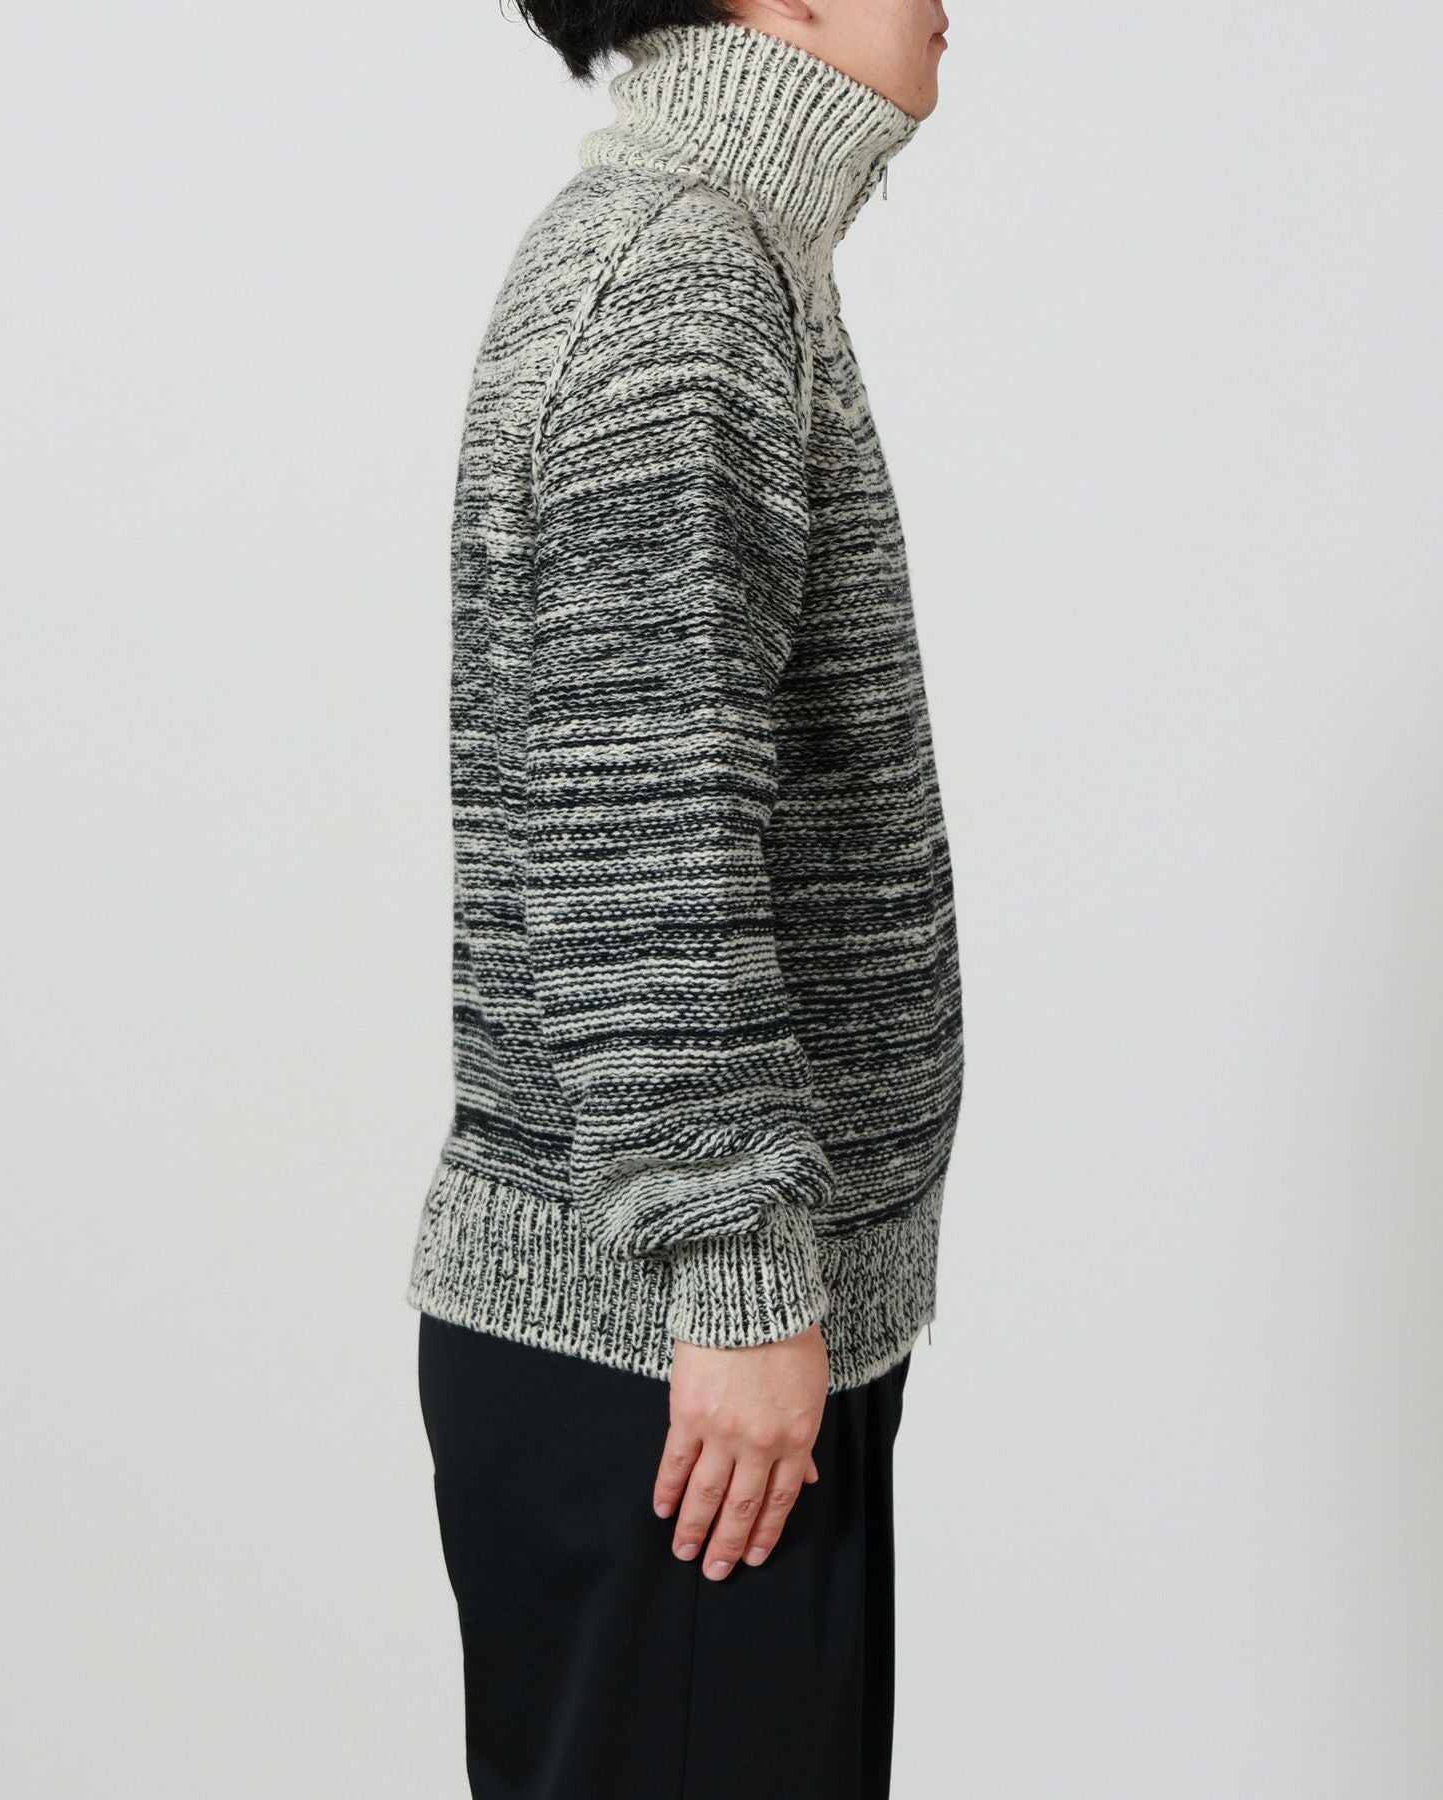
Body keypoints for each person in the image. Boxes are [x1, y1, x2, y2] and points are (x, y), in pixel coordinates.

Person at [406, 3, 964, 1794]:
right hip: (677, 1351)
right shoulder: (683, 277)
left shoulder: (723, 252)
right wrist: (735, 1281)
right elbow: (637, 829)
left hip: (700, 1337)